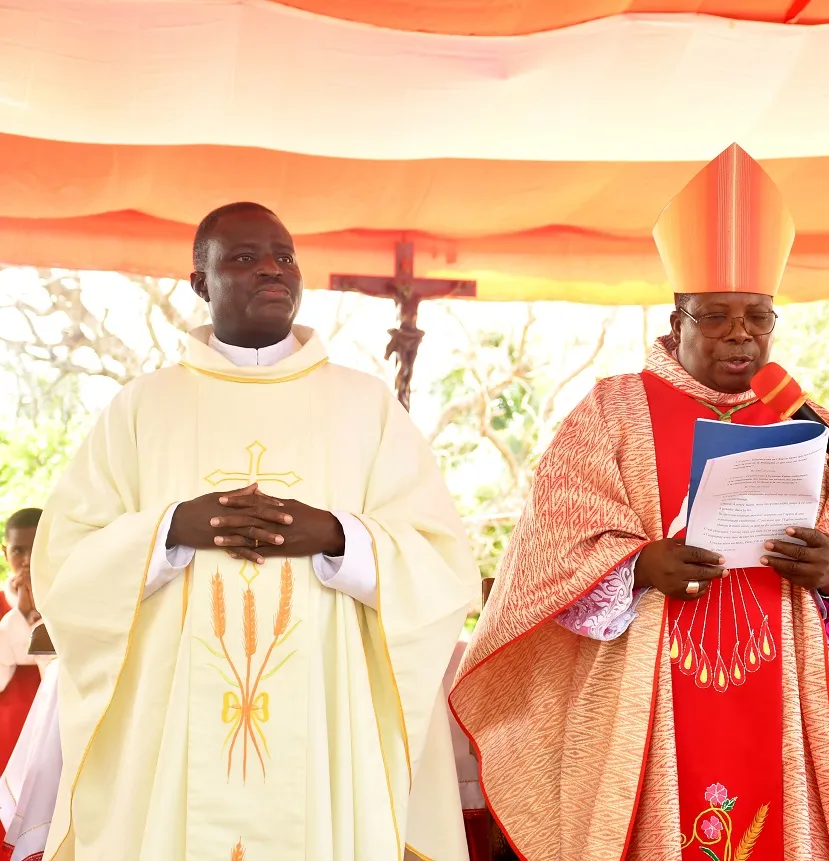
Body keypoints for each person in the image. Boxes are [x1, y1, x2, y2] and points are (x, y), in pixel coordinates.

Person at [450, 144, 829, 861]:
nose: (740, 333)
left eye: (758, 317)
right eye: (715, 316)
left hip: (788, 688)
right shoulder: (610, 414)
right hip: (650, 694)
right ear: (676, 317)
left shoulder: (819, 426)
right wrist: (637, 566)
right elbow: (547, 556)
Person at [31, 202, 479, 861]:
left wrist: (337, 537)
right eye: (244, 257)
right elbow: (65, 564)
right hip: (173, 726)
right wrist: (171, 529)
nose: (273, 269)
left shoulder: (365, 406)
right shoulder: (143, 407)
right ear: (200, 282)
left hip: (324, 720)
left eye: (284, 256)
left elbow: (441, 562)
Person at [0, 510, 44, 773]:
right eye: (18, 550)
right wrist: (21, 614)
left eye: (36, 548)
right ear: (5, 553)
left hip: (55, 728)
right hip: (6, 731)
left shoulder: (70, 602)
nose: (27, 560)